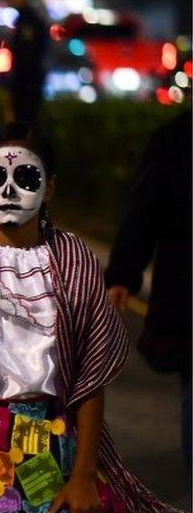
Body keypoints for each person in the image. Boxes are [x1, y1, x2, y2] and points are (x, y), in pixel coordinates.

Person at [0, 122, 190, 513]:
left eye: (27, 177)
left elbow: (90, 379)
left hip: (59, 448)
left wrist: (85, 475)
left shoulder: (75, 262)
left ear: (49, 188)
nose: (10, 191)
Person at [105, 110, 192, 474]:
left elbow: (143, 210)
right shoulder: (175, 139)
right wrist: (122, 274)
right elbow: (144, 212)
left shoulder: (175, 137)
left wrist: (122, 274)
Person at [6, 0, 47, 124]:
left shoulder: (27, 21)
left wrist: (15, 78)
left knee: (24, 121)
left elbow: (27, 53)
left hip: (26, 81)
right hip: (30, 80)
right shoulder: (28, 19)